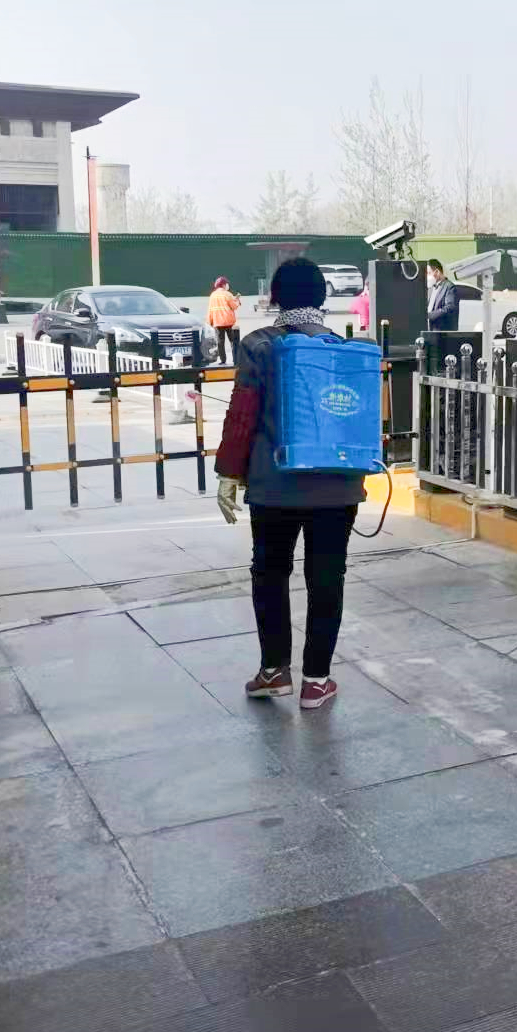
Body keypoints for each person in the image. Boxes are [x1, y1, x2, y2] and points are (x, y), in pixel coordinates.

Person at [213, 258, 364, 710]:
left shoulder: (259, 346)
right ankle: (316, 680)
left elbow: (242, 415)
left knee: (270, 573)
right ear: (322, 297)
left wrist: (229, 473)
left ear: (275, 297)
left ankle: (274, 671)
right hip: (336, 487)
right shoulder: (345, 351)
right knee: (327, 577)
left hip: (274, 485)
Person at [207, 276, 241, 364]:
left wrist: (210, 322)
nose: (227, 285)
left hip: (217, 322)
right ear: (223, 285)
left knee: (220, 343)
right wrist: (237, 301)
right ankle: (236, 359)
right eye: (226, 284)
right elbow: (234, 306)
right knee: (233, 341)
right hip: (228, 322)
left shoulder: (212, 295)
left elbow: (210, 310)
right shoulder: (227, 294)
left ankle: (223, 361)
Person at [426, 258, 459, 331]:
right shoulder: (431, 288)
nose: (427, 276)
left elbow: (449, 308)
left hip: (443, 332)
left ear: (437, 272)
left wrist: (429, 315)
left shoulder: (449, 287)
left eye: (429, 273)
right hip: (430, 330)